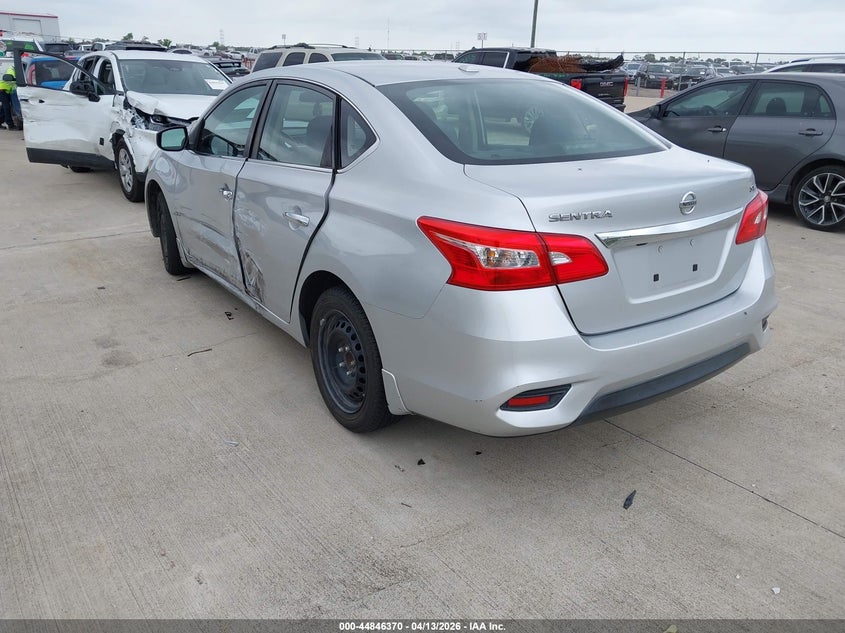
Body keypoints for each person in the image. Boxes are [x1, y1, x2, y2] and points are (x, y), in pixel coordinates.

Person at [0, 63, 19, 130]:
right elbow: (10, 79)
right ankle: (11, 125)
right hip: (2, 90)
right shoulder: (11, 70)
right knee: (7, 107)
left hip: (7, 91)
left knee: (4, 107)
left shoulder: (16, 70)